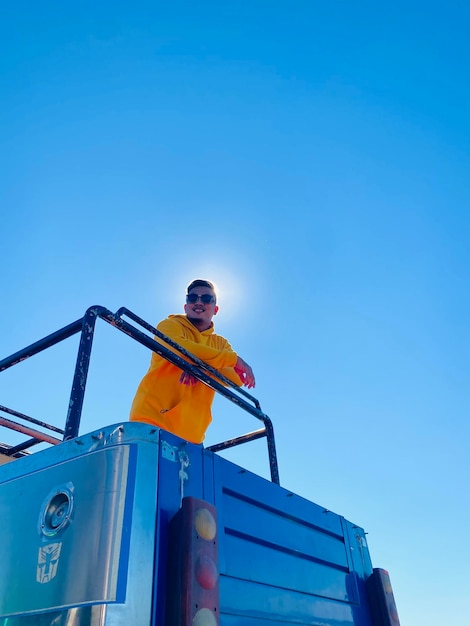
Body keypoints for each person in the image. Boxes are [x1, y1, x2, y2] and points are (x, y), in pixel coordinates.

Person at [129, 279, 255, 444]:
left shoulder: (220, 344)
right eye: (192, 298)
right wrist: (231, 359)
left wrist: (201, 370)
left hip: (192, 439)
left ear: (215, 309)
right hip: (153, 423)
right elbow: (181, 348)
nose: (198, 302)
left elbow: (236, 378)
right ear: (186, 306)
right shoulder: (169, 325)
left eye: (206, 299)